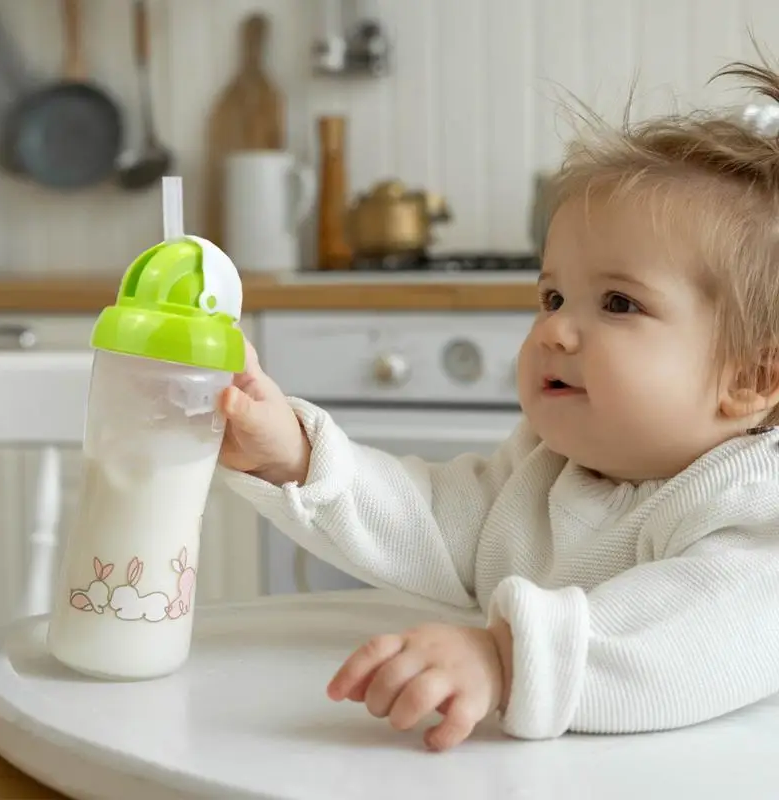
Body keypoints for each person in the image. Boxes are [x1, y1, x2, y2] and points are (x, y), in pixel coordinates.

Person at [217, 60, 779, 752]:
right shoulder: (542, 469)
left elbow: (697, 631)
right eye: (552, 298)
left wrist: (502, 661)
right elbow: (426, 519)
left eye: (618, 303)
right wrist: (297, 458)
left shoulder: (754, 510)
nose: (555, 330)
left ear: (750, 379)